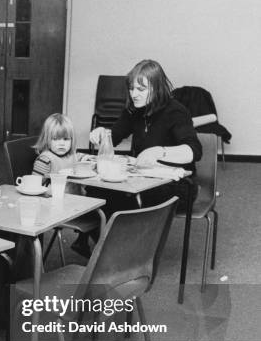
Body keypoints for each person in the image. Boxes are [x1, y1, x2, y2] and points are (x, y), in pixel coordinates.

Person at [89, 59, 201, 211]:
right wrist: (102, 134)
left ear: (157, 88)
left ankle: (125, 234)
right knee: (96, 191)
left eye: (141, 89)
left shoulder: (176, 111)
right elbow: (113, 137)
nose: (134, 94)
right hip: (143, 180)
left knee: (117, 197)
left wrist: (159, 151)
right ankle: (101, 234)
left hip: (176, 186)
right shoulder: (134, 110)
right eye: (131, 88)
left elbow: (194, 151)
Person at [31, 113, 93, 256]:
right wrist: (47, 191)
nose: (61, 143)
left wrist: (89, 158)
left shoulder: (71, 155)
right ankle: (101, 254)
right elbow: (33, 185)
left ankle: (85, 244)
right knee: (99, 216)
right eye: (56, 139)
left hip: (77, 204)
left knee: (103, 210)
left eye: (66, 139)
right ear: (47, 139)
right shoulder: (45, 159)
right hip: (56, 207)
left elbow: (79, 157)